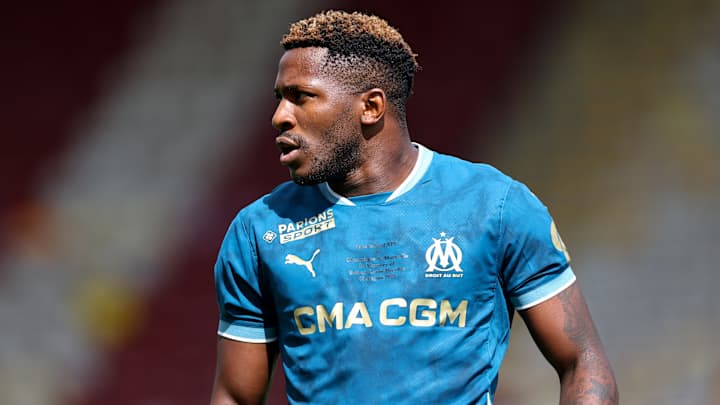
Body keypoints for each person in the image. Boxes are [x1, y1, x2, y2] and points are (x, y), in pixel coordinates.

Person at [210, 9, 618, 405]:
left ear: (371, 107)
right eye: (280, 98)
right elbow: (236, 396)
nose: (279, 116)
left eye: (300, 97)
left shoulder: (496, 206)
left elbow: (581, 362)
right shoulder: (259, 231)